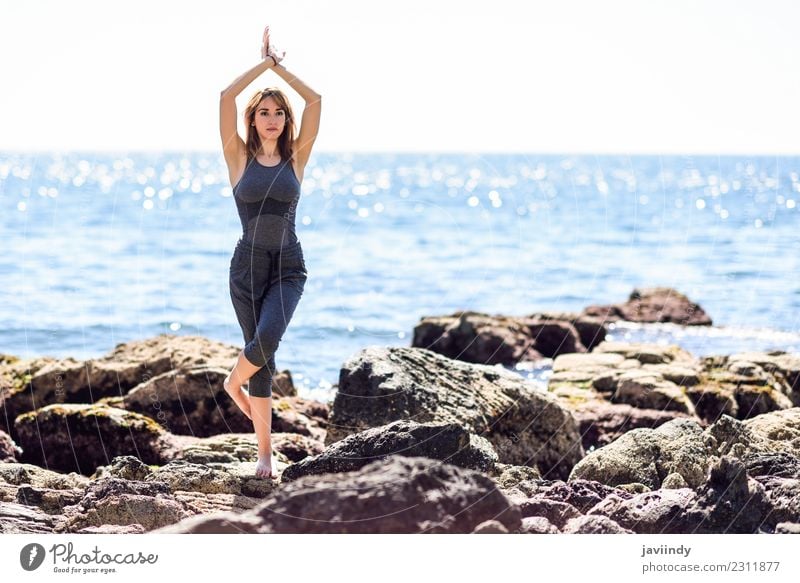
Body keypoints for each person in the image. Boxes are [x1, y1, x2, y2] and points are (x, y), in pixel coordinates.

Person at [218, 25, 321, 479]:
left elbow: (316, 102)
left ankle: (230, 380)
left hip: (288, 267)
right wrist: (261, 67)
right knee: (264, 361)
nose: (273, 118)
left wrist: (282, 70)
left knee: (265, 342)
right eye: (264, 111)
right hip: (246, 269)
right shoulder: (237, 158)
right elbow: (224, 98)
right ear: (253, 119)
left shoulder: (296, 157)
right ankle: (265, 456)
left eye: (279, 111)